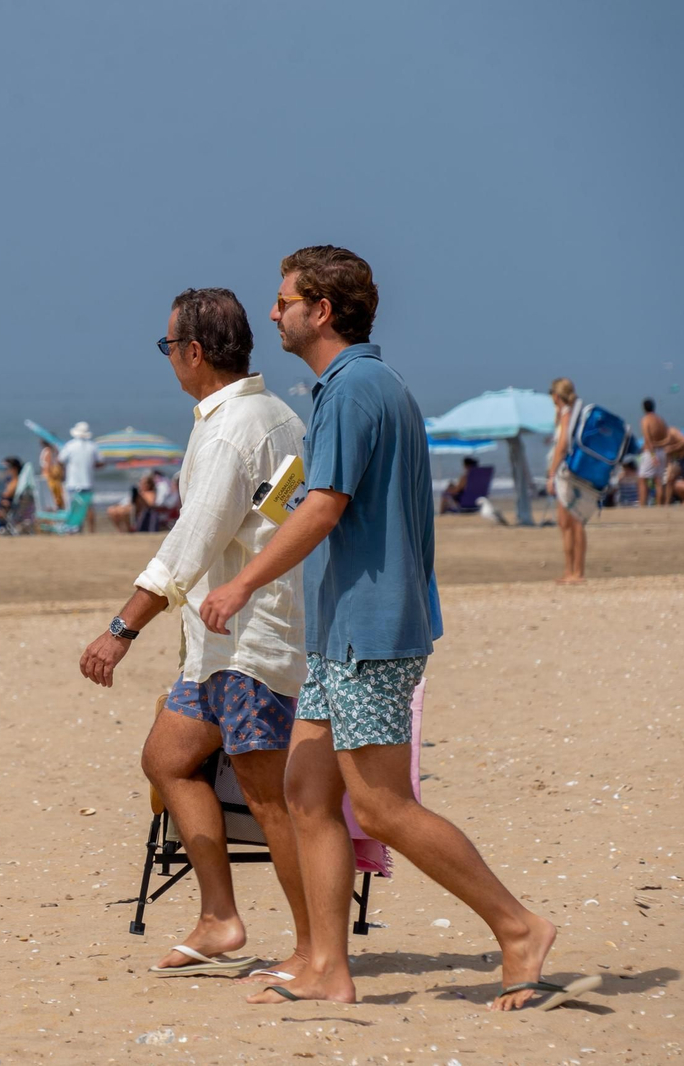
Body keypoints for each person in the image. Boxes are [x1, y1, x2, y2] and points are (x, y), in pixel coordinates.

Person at [198, 246, 570, 1012]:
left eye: (284, 300)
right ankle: (328, 969)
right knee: (307, 790)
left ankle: (519, 925)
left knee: (380, 807)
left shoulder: (356, 388)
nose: (273, 313)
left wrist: (239, 583)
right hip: (342, 631)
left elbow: (323, 506)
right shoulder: (354, 386)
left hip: (372, 630)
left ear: (321, 311)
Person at [79, 287, 311, 980]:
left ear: (195, 352)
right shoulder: (272, 416)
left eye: (168, 345)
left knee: (271, 802)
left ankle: (313, 948)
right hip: (214, 647)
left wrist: (121, 629)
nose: (168, 358)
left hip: (250, 643)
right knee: (167, 759)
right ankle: (220, 918)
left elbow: (191, 543)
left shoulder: (237, 428)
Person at [546, 378, 587, 585]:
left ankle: (575, 572)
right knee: (569, 523)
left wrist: (551, 474)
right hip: (575, 474)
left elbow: (562, 447)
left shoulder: (566, 415)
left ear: (556, 395)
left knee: (571, 523)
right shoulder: (574, 414)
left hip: (566, 475)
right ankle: (572, 571)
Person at [58, 422, 102, 532]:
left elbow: (60, 460)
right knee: (89, 507)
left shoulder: (70, 446)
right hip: (88, 481)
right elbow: (100, 462)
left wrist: (63, 472)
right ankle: (92, 530)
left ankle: (75, 529)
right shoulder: (93, 446)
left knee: (74, 508)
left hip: (72, 482)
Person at [637, 399, 667, 506]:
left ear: (644, 408)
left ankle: (643, 506)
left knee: (642, 479)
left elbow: (647, 439)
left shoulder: (646, 420)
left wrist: (653, 455)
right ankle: (660, 506)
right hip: (662, 451)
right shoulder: (660, 420)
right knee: (659, 480)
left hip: (651, 452)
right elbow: (666, 437)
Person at [40, 443, 65, 509]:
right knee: (55, 500)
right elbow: (48, 467)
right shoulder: (49, 452)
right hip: (50, 479)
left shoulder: (44, 451)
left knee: (48, 501)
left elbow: (43, 467)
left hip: (44, 478)